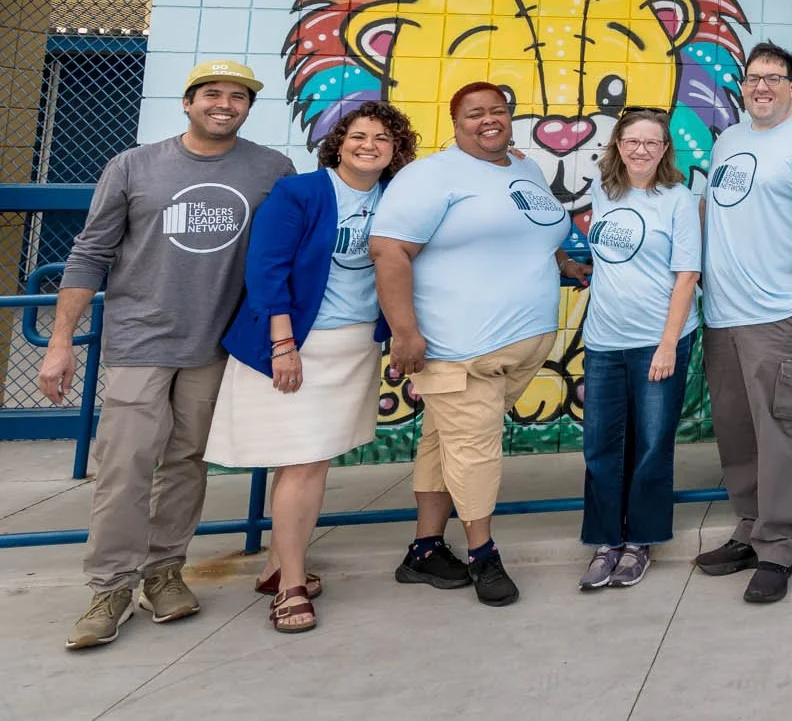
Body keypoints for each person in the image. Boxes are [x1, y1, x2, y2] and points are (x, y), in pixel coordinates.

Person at [40, 60, 295, 650]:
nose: (224, 104)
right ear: (188, 102)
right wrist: (60, 342)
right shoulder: (133, 166)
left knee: (186, 462)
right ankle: (110, 587)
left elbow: (282, 253)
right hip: (141, 341)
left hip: (214, 344)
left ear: (249, 107)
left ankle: (164, 572)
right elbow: (90, 253)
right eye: (212, 94)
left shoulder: (271, 169)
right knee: (125, 466)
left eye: (238, 96)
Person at [369, 82, 585, 608]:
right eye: (474, 113)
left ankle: (424, 549)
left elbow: (531, 230)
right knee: (474, 452)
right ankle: (483, 554)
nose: (488, 120)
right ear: (455, 122)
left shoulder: (524, 169)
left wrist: (564, 262)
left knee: (443, 443)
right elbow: (389, 251)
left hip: (520, 346)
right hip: (458, 347)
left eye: (497, 111)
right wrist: (405, 333)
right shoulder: (431, 175)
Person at [206, 102, 419, 633]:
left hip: (354, 346)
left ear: (396, 150)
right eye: (359, 135)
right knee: (301, 464)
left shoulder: (397, 198)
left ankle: (277, 567)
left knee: (308, 463)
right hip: (297, 345)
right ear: (338, 143)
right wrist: (282, 344)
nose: (369, 146)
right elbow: (267, 270)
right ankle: (292, 586)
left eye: (383, 139)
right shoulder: (299, 192)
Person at [694, 41, 792, 605]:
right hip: (723, 316)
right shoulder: (729, 140)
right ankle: (749, 528)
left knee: (779, 433)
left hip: (777, 316)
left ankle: (777, 548)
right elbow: (711, 210)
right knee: (736, 432)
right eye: (753, 77)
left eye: (774, 78)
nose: (762, 87)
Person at [577, 109, 702, 591]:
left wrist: (668, 344)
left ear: (665, 149)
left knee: (651, 445)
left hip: (657, 340)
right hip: (605, 340)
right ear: (618, 144)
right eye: (632, 141)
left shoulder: (677, 198)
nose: (641, 150)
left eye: (652, 142)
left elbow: (687, 275)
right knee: (600, 446)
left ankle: (640, 542)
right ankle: (607, 541)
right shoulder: (603, 190)